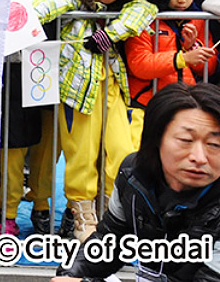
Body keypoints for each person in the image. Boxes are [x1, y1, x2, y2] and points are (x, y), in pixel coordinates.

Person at [32, 0, 155, 240]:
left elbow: (145, 8)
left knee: (123, 152)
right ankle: (83, 218)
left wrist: (109, 35)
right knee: (82, 155)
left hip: (112, 88)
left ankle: (115, 217)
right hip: (78, 93)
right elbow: (45, 5)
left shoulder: (126, 8)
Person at [53, 82, 220, 282]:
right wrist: (70, 274)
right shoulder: (132, 176)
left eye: (214, 144)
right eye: (185, 140)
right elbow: (107, 242)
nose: (199, 157)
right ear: (156, 139)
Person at [129, 0, 217, 147]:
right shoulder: (143, 18)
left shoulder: (197, 18)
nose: (182, 0)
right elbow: (139, 64)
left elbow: (208, 70)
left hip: (183, 103)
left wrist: (193, 48)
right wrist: (182, 57)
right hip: (145, 104)